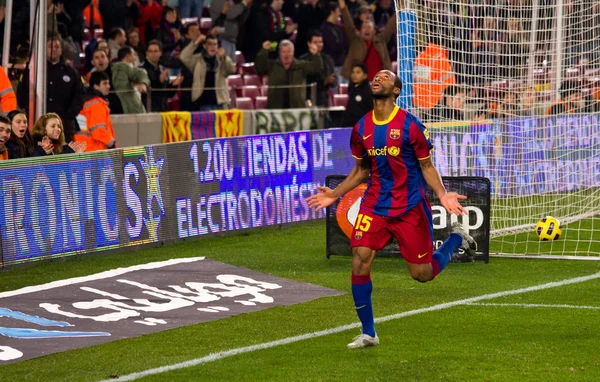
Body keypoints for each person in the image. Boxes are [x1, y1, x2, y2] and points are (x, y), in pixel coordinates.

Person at [306, 70, 476, 349]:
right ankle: (369, 332)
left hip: (409, 206)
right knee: (360, 258)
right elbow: (362, 170)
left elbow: (426, 166)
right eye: (376, 77)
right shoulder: (361, 128)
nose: (377, 78)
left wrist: (443, 195)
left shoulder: (410, 125)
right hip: (375, 203)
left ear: (396, 90)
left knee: (422, 274)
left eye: (385, 77)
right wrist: (335, 194)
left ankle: (457, 238)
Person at [255, 39, 323, 109]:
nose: (286, 55)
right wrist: (264, 51)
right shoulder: (272, 66)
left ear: (293, 52)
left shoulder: (301, 65)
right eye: (283, 52)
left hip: (297, 109)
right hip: (276, 109)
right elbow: (259, 68)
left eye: (288, 51)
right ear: (279, 53)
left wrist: (316, 55)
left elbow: (317, 68)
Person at [179, 34, 236, 111]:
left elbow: (231, 70)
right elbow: (183, 57)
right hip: (204, 104)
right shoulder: (197, 60)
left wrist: (224, 58)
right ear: (204, 46)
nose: (213, 47)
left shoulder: (222, 59)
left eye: (215, 44)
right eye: (210, 44)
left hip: (220, 103)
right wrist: (195, 43)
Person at [74, 71, 117, 151]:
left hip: (85, 148)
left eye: (108, 83)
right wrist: (111, 144)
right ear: (96, 86)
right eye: (104, 83)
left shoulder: (88, 101)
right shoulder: (96, 104)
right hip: (93, 150)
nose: (108, 86)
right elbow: (98, 131)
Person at [141, 40, 184, 112]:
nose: (153, 54)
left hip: (163, 109)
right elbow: (146, 91)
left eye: (155, 51)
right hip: (148, 109)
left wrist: (174, 85)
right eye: (150, 51)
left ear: (160, 53)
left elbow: (167, 94)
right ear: (146, 53)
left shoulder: (162, 68)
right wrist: (159, 82)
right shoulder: (142, 69)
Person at [299, 31, 337, 108]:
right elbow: (305, 83)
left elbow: (334, 80)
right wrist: (324, 82)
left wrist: (333, 80)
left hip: (324, 101)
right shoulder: (303, 60)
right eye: (315, 42)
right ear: (309, 44)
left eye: (320, 42)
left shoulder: (328, 59)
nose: (319, 44)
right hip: (308, 101)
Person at [111, 46, 151, 114]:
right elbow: (140, 73)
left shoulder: (113, 68)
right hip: (128, 107)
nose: (135, 58)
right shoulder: (123, 67)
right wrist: (143, 83)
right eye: (133, 54)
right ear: (128, 56)